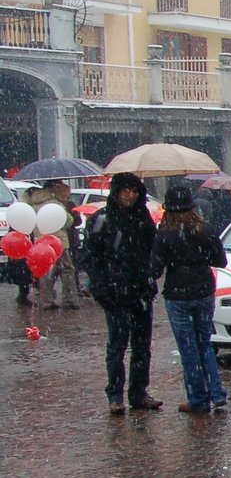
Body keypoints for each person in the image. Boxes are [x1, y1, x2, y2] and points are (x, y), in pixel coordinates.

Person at [80, 172, 162, 414]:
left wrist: (150, 276)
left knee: (142, 345)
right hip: (115, 293)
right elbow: (90, 258)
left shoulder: (143, 218)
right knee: (117, 345)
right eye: (126, 190)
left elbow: (153, 252)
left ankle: (139, 392)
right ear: (116, 193)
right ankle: (115, 394)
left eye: (135, 191)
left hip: (141, 292)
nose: (130, 195)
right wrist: (101, 287)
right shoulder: (102, 219)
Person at [148, 183, 228, 414]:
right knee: (204, 345)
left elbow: (155, 269)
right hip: (203, 292)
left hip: (178, 295)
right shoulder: (206, 230)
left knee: (189, 349)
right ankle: (217, 392)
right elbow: (221, 261)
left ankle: (198, 399)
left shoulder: (165, 234)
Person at [26, 180, 81, 309]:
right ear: (54, 188)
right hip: (58, 241)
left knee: (46, 271)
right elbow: (68, 221)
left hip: (41, 241)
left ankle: (47, 300)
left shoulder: (35, 203)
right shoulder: (55, 204)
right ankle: (69, 299)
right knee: (67, 269)